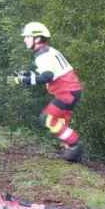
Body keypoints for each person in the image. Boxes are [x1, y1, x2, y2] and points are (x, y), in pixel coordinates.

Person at [10, 22, 84, 162]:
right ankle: (71, 152)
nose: (24, 39)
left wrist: (26, 80)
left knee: (47, 119)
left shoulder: (42, 55)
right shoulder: (48, 51)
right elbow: (49, 74)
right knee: (60, 123)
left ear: (37, 38)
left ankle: (75, 145)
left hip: (66, 92)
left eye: (27, 37)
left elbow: (47, 76)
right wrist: (28, 76)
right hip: (71, 91)